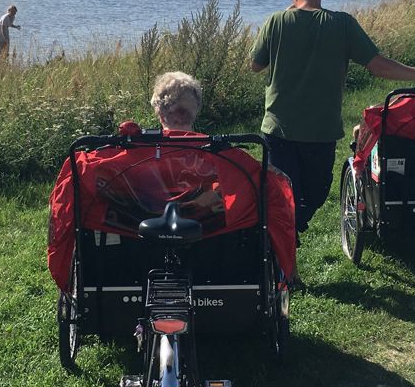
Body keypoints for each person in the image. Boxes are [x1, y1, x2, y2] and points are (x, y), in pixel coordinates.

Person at [249, 0, 415, 237]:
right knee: (314, 195)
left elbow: (255, 65)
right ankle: (284, 243)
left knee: (284, 195)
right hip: (320, 133)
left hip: (278, 129)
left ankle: (285, 234)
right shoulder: (342, 24)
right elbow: (379, 66)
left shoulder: (275, 22)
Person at [47, 71, 298, 289]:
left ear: (159, 111)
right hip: (212, 243)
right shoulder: (223, 159)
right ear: (195, 109)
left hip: (132, 245)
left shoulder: (125, 157)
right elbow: (268, 190)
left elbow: (78, 183)